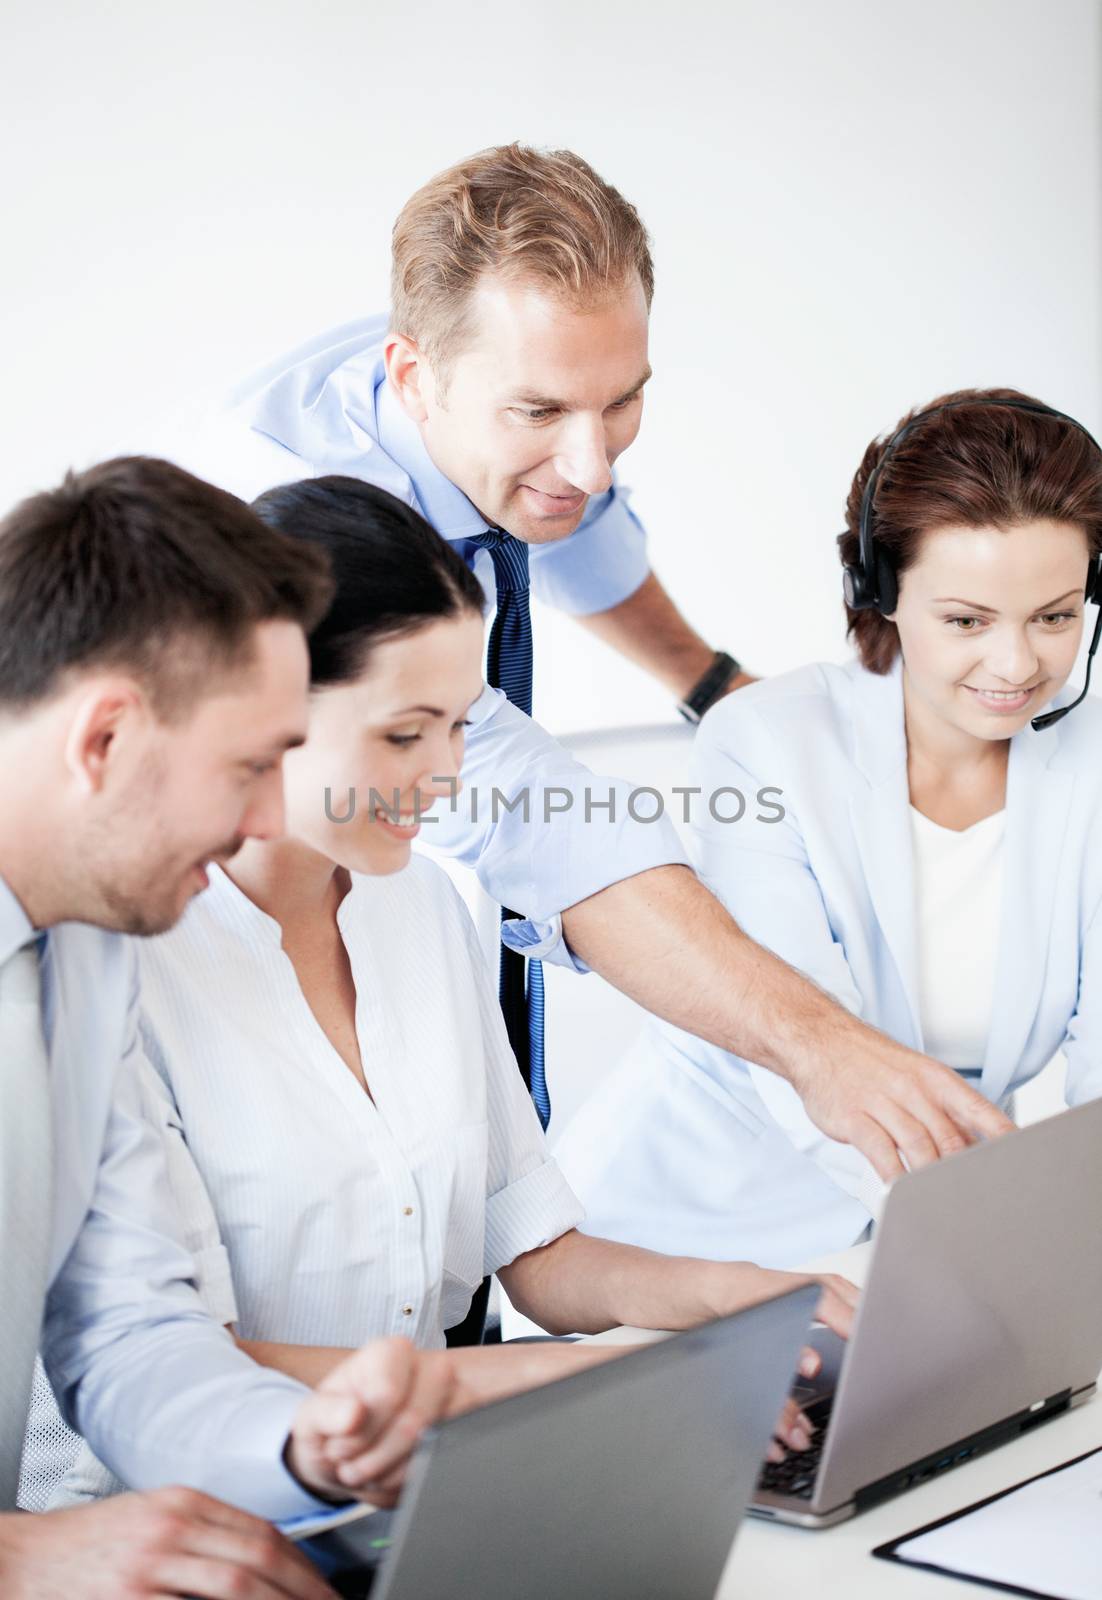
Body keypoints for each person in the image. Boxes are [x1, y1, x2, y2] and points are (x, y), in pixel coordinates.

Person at [176, 142, 1012, 1183]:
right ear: (411, 376)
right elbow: (531, 815)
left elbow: (576, 520)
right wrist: (819, 1047)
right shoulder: (295, 541)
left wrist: (710, 685)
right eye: (542, 414)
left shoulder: (496, 373)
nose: (594, 459)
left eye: (623, 400)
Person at [46, 476, 857, 1507]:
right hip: (181, 1519)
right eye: (403, 733)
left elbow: (534, 1252)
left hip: (422, 1495)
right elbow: (181, 1368)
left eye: (463, 727)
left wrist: (737, 1297)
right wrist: (548, 1386)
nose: (445, 774)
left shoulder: (419, 903)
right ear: (264, 705)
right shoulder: (119, 960)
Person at [0, 458, 481, 1598]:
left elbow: (125, 1332)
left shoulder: (92, 947)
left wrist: (297, 1446)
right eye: (250, 766)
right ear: (105, 737)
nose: (273, 815)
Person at [553, 389, 1102, 1265]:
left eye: (1056, 616)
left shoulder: (1090, 768)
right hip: (678, 1234)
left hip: (909, 1241)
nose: (1016, 663)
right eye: (966, 620)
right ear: (878, 591)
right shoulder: (769, 740)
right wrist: (985, 1240)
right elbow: (805, 1059)